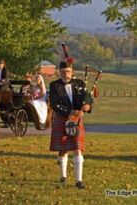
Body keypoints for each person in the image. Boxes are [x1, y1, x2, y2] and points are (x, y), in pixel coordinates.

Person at [49, 61, 91, 189]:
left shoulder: (80, 83)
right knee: (63, 149)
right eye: (62, 72)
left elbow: (88, 98)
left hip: (77, 120)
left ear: (72, 72)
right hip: (62, 118)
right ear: (59, 72)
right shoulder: (54, 85)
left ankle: (79, 180)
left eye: (67, 71)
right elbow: (54, 104)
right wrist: (69, 112)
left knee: (77, 148)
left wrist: (87, 107)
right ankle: (63, 175)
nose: (65, 74)